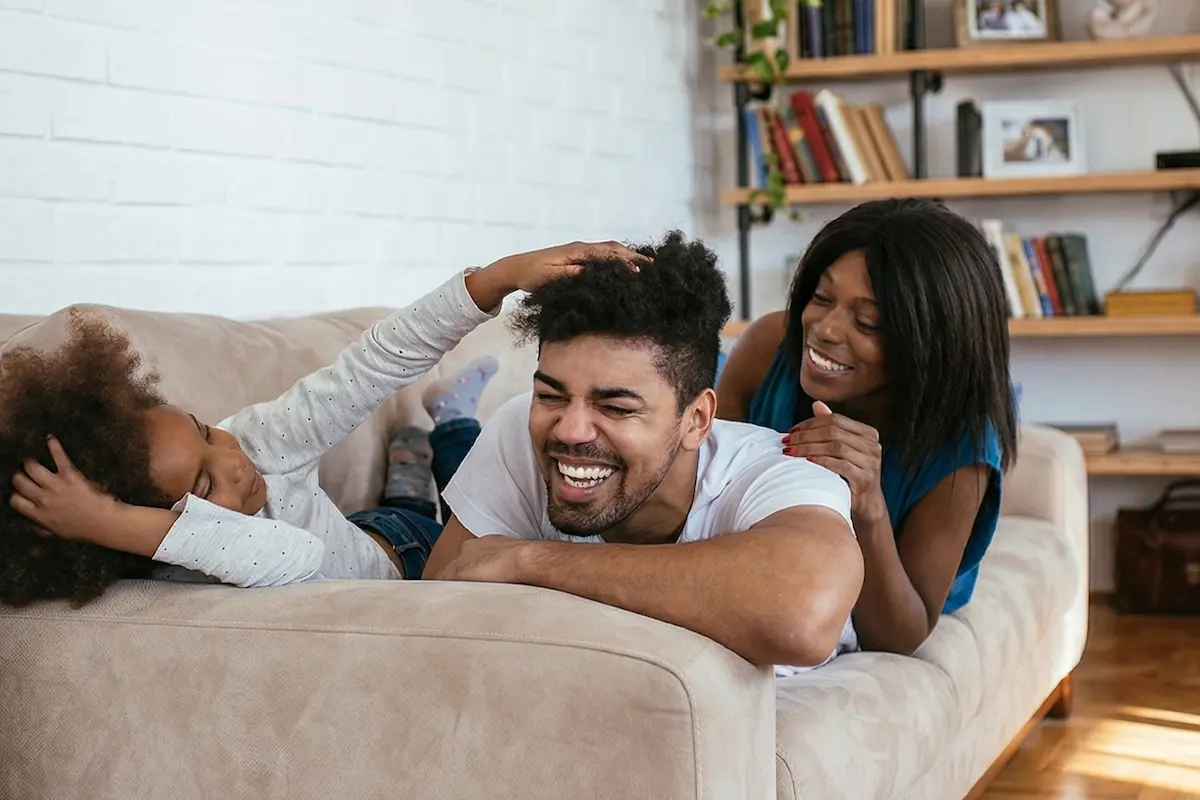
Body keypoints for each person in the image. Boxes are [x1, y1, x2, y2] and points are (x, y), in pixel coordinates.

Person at [0, 241, 648, 608]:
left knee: (462, 488)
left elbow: (370, 366)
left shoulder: (255, 441)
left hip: (405, 549)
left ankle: (440, 428)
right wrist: (116, 525)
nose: (233, 460)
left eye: (204, 432)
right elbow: (294, 555)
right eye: (202, 487)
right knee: (427, 483)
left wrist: (497, 279)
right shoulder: (176, 562)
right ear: (156, 531)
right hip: (360, 545)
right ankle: (428, 439)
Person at [422, 231, 865, 674]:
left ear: (697, 419)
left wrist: (528, 559)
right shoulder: (519, 426)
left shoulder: (780, 470)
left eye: (615, 407)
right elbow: (435, 610)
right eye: (551, 396)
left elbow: (802, 616)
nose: (571, 430)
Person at [716, 198, 1019, 657]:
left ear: (929, 343)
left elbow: (899, 634)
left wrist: (868, 506)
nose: (826, 329)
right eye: (821, 297)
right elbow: (703, 493)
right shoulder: (768, 348)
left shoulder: (962, 447)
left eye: (868, 322)